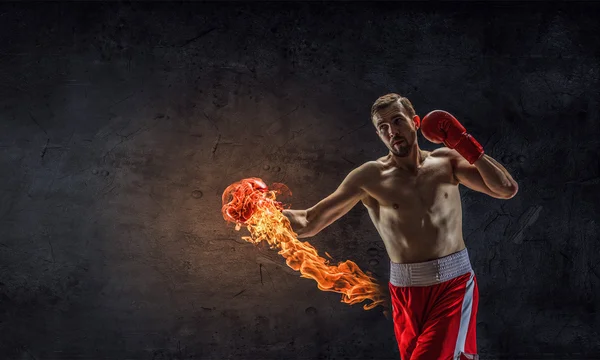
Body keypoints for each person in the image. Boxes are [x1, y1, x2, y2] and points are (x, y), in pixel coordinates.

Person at [282, 93, 519, 360]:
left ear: (415, 122)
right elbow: (309, 221)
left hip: (452, 284)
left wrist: (464, 143)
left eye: (397, 121)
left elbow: (506, 189)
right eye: (383, 128)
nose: (392, 131)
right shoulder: (369, 177)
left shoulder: (447, 162)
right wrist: (262, 211)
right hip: (405, 294)